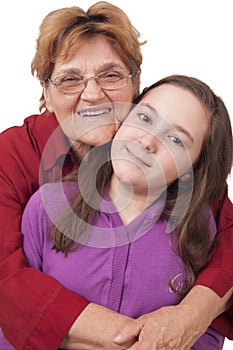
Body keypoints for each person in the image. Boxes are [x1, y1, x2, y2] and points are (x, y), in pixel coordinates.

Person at [0, 1, 232, 349]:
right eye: (69, 80)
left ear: (136, 84)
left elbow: (226, 239)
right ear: (45, 93)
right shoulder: (16, 157)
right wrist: (138, 341)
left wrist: (190, 317)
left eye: (110, 75)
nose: (92, 95)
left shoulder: (182, 174)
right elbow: (7, 278)